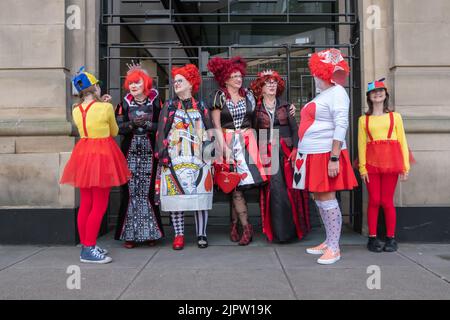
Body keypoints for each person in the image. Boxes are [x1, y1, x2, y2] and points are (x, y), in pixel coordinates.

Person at [292, 49, 358, 264]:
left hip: (326, 154)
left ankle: (335, 247)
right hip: (312, 153)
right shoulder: (324, 94)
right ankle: (329, 241)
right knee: (320, 198)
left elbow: (342, 124)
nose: (314, 77)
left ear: (324, 73)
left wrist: (334, 157)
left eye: (316, 73)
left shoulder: (338, 92)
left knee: (327, 198)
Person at [60, 67, 131, 264]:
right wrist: (106, 105)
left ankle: (86, 244)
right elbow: (114, 130)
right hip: (101, 156)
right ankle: (89, 249)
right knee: (99, 204)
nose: (100, 88)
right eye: (98, 85)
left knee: (86, 203)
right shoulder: (106, 108)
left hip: (83, 155)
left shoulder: (76, 109)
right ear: (94, 88)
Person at [207, 56, 267, 246]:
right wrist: (224, 148)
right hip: (226, 143)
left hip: (248, 144)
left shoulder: (249, 94)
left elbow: (269, 100)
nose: (238, 79)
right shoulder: (219, 96)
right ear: (225, 79)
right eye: (233, 76)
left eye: (240, 76)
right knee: (233, 187)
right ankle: (245, 226)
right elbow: (215, 125)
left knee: (238, 187)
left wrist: (289, 107)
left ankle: (235, 225)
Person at [155, 64, 214, 250]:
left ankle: (201, 233)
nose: (176, 84)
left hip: (199, 159)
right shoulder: (170, 106)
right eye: (175, 81)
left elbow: (210, 131)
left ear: (191, 83)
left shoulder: (202, 106)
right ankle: (178, 235)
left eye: (180, 80)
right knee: (176, 197)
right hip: (175, 158)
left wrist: (210, 155)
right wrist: (163, 155)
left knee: (200, 198)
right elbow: (161, 132)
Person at [251, 70, 311, 243]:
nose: (271, 85)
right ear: (260, 87)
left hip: (286, 153)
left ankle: (292, 231)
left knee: (291, 191)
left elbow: (295, 130)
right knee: (274, 191)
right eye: (267, 82)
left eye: (274, 82)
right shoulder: (255, 108)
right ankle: (277, 232)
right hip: (267, 154)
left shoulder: (285, 106)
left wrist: (295, 149)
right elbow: (254, 132)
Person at [114, 61, 164, 249]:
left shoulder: (157, 103)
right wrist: (132, 125)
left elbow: (164, 125)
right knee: (130, 192)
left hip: (150, 153)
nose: (133, 86)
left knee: (149, 192)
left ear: (145, 83)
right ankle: (130, 234)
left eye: (137, 82)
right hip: (130, 152)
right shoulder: (123, 105)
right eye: (131, 83)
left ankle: (151, 233)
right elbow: (117, 128)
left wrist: (149, 126)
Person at [358, 78, 411, 253]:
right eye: (374, 92)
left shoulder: (395, 117)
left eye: (380, 91)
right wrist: (362, 167)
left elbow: (402, 141)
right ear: (369, 97)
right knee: (374, 200)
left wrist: (405, 166)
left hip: (391, 163)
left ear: (385, 95)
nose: (377, 94)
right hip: (371, 164)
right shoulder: (363, 120)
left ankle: (391, 238)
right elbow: (361, 144)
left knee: (387, 201)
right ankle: (372, 238)